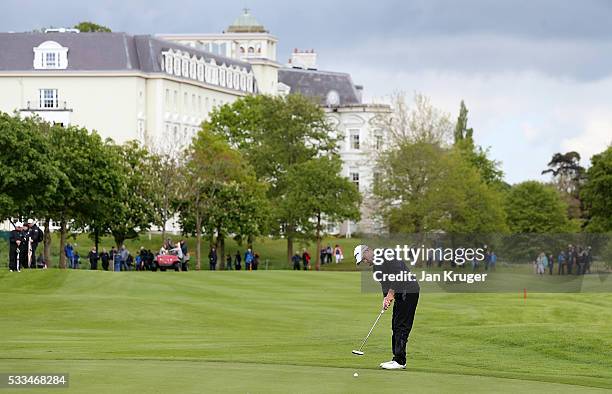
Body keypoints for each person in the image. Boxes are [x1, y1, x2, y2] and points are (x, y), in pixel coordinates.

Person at [354, 244, 420, 370]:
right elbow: (385, 284)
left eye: (364, 258)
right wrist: (386, 298)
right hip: (400, 293)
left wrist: (390, 293)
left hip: (409, 290)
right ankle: (397, 358)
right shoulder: (376, 269)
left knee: (401, 325)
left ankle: (400, 361)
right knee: (395, 324)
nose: (365, 262)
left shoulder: (386, 254)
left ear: (368, 251)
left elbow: (399, 273)